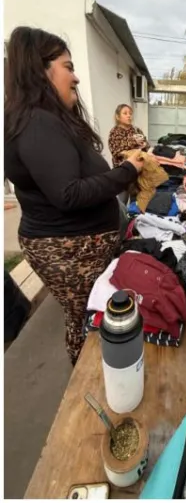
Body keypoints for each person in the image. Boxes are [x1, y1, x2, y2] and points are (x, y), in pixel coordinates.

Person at [3, 26, 143, 365]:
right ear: (41, 70)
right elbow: (68, 194)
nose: (76, 77)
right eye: (68, 66)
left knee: (92, 318)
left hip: (79, 245)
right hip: (67, 251)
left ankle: (99, 379)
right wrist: (128, 172)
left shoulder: (46, 120)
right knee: (88, 322)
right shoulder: (37, 123)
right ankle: (87, 392)